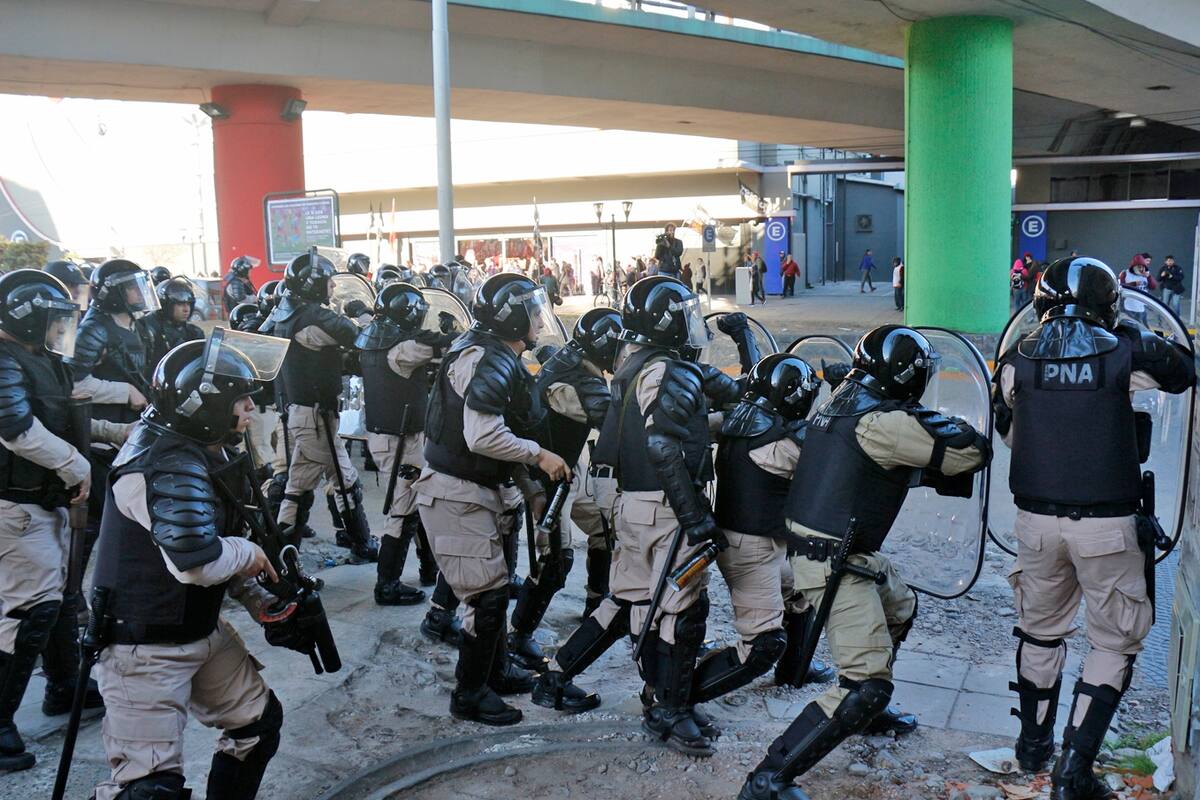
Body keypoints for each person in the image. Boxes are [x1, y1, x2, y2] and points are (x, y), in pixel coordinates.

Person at [739, 325, 990, 800]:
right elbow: (970, 452)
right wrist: (924, 417)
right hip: (834, 562)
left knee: (900, 606)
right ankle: (768, 780)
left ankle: (867, 717)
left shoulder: (838, 405)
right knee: (866, 685)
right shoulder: (887, 423)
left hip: (840, 550)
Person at [994, 257, 1194, 798]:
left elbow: (1008, 433)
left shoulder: (1018, 358)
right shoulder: (1123, 350)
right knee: (1112, 640)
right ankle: (1072, 773)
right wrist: (1122, 328)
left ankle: (1031, 748)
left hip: (1036, 524)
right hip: (1106, 527)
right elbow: (1182, 371)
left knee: (1039, 631)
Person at [89, 330, 304, 799]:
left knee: (257, 725)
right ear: (204, 405)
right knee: (149, 790)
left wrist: (259, 597)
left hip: (198, 627)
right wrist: (250, 557)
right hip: (144, 647)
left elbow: (224, 536)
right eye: (240, 398)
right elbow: (196, 563)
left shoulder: (205, 447)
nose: (251, 407)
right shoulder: (161, 461)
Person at [415, 273, 570, 726]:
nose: (540, 320)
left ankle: (495, 670)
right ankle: (469, 693)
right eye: (532, 311)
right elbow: (482, 435)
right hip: (458, 494)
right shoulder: (488, 358)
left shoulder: (488, 351)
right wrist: (539, 456)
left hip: (479, 491)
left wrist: (529, 488)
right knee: (485, 599)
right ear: (512, 316)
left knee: (495, 592)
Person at [589, 276, 723, 757]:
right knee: (682, 610)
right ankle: (671, 709)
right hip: (664, 506)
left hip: (637, 501)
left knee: (649, 606)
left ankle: (661, 701)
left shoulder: (635, 364)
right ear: (668, 320)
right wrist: (694, 517)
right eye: (685, 312)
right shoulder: (666, 369)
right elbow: (663, 444)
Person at [0, 270, 101, 773]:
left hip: (45, 502)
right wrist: (75, 464)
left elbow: (64, 415)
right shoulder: (4, 361)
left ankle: (65, 687)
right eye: (52, 318)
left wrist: (121, 429)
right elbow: (17, 430)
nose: (61, 328)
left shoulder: (39, 359)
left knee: (59, 598)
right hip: (17, 507)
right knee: (28, 612)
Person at [699, 353, 836, 712]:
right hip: (751, 549)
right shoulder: (780, 442)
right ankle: (677, 698)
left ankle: (796, 670)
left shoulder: (736, 421)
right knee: (762, 643)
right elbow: (833, 456)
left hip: (761, 542)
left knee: (803, 591)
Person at [507, 308, 616, 689]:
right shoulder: (579, 382)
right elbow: (614, 420)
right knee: (555, 561)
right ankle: (519, 635)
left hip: (569, 468)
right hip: (547, 478)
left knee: (603, 531)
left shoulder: (573, 360)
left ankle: (596, 602)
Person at [268, 251, 378, 562]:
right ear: (313, 284)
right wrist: (362, 313)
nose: (332, 288)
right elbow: (356, 334)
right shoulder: (310, 315)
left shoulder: (287, 312)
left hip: (305, 411)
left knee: (299, 483)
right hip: (314, 414)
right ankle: (361, 542)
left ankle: (281, 549)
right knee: (344, 479)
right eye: (328, 283)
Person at [356, 283, 459, 606]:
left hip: (393, 435)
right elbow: (444, 348)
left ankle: (429, 568)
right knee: (403, 511)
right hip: (399, 440)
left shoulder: (375, 338)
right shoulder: (401, 348)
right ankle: (387, 584)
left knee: (421, 499)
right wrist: (451, 332)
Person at [66, 259, 158, 573]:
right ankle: (74, 597)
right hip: (102, 441)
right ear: (114, 291)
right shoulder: (93, 329)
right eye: (131, 287)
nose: (138, 292)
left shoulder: (136, 324)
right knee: (96, 522)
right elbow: (75, 384)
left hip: (130, 437)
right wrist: (123, 392)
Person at [139, 277, 205, 380]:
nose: (186, 309)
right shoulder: (147, 328)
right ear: (166, 304)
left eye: (188, 304)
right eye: (180, 304)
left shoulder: (193, 333)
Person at [1119, 256, 1154, 327]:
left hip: (1141, 306)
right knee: (1132, 326)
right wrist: (1133, 284)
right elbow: (1120, 286)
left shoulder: (1146, 275)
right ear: (1133, 266)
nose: (1141, 269)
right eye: (1138, 267)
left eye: (1142, 267)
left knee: (1144, 327)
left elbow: (1153, 286)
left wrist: (1149, 277)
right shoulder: (1125, 273)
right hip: (1129, 306)